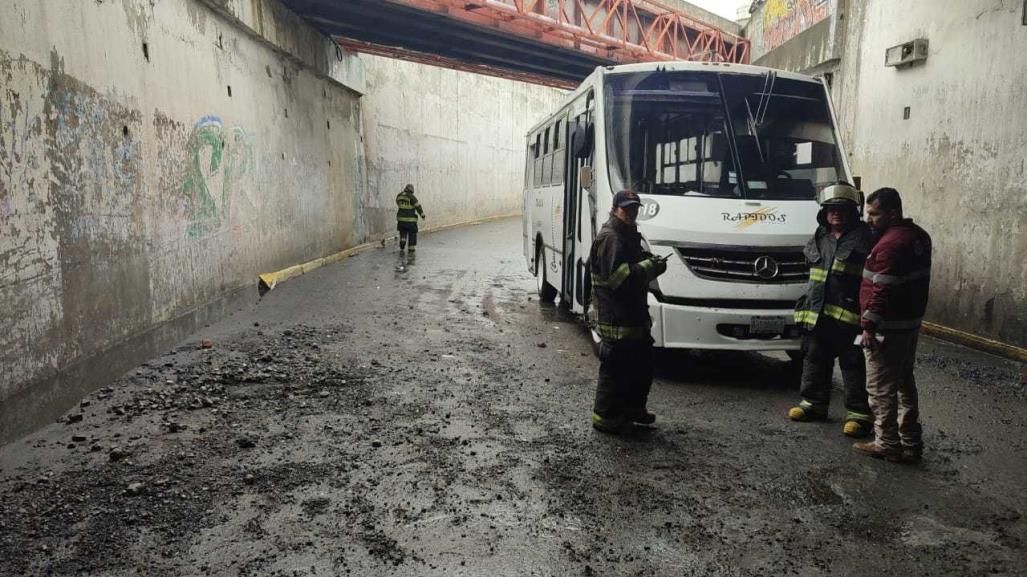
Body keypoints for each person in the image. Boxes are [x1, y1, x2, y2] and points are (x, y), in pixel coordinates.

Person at [852, 187, 932, 463]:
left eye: (874, 214)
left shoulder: (889, 245)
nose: (869, 219)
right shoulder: (919, 237)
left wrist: (868, 326)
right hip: (909, 324)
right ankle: (910, 440)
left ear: (892, 213)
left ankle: (887, 443)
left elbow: (881, 291)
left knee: (880, 388)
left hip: (888, 328)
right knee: (904, 382)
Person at [789, 183, 874, 437]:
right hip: (818, 314)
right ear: (824, 212)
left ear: (852, 212)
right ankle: (813, 405)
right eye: (831, 209)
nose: (836, 213)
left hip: (850, 318)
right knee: (814, 358)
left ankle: (859, 415)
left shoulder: (865, 238)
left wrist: (869, 317)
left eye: (842, 209)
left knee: (853, 363)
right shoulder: (819, 237)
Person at [589, 190, 668, 434]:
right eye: (626, 209)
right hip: (616, 320)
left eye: (634, 209)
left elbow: (630, 263)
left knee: (642, 367)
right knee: (616, 370)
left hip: (632, 319)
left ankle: (634, 410)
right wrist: (650, 267)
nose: (631, 213)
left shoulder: (627, 235)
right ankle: (605, 418)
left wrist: (645, 259)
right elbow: (618, 280)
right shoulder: (611, 237)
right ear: (615, 210)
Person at [396, 184, 425, 254]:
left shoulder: (399, 195)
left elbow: (397, 202)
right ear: (411, 190)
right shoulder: (411, 196)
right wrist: (422, 214)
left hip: (401, 220)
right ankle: (411, 248)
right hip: (410, 220)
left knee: (403, 231)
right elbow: (418, 206)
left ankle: (403, 241)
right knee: (412, 233)